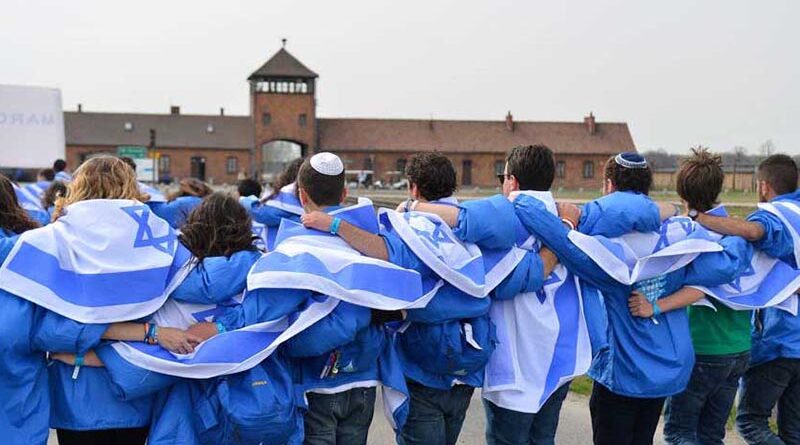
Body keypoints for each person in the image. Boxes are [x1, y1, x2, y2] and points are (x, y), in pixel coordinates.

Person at [304, 151, 545, 445]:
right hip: (467, 367)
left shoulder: (413, 230)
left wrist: (335, 225)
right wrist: (563, 235)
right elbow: (525, 275)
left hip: (423, 368)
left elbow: (382, 251)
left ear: (413, 188)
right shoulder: (478, 230)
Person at [513, 152, 750, 445]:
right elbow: (728, 263)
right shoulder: (683, 237)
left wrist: (555, 213)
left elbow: (561, 242)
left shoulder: (603, 252)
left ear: (609, 186)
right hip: (666, 368)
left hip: (623, 373)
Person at [625, 148, 753, 445]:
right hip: (740, 345)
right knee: (711, 434)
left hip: (702, 346)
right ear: (719, 188)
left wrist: (654, 306)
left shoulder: (684, 234)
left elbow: (701, 285)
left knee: (680, 432)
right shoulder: (739, 233)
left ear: (681, 191)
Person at [690, 154, 800, 445]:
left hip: (780, 340)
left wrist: (699, 218)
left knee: (751, 422)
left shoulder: (776, 216)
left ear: (763, 186)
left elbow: (753, 231)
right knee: (794, 431)